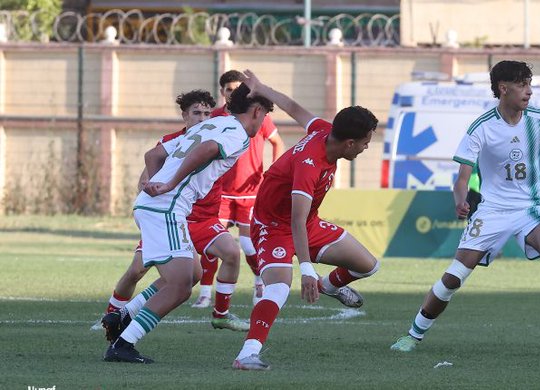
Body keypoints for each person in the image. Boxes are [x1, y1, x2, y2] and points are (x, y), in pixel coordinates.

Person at [390, 60, 540, 353]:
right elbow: (462, 178)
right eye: (522, 85)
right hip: (493, 209)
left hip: (534, 203)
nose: (529, 91)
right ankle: (413, 334)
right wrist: (460, 201)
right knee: (455, 276)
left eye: (530, 85)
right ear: (503, 89)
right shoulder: (481, 128)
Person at [103, 84, 273, 363]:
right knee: (180, 285)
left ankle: (121, 315)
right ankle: (122, 343)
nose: (263, 122)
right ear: (256, 111)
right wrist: (169, 185)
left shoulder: (213, 123)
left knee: (191, 273)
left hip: (162, 207)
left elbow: (153, 155)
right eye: (264, 115)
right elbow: (205, 150)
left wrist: (162, 184)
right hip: (167, 209)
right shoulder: (238, 134)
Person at [231, 70, 380, 371]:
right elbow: (294, 220)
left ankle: (330, 286)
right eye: (365, 143)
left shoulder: (325, 131)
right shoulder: (309, 165)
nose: (366, 148)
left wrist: (263, 87)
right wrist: (307, 270)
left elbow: (294, 108)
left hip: (306, 223)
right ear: (350, 143)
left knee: (368, 265)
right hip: (274, 226)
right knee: (278, 288)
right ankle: (247, 354)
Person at [191, 70, 286, 310]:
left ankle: (259, 283)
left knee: (249, 245)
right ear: (222, 92)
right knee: (212, 243)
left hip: (250, 192)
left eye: (237, 89)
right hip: (221, 193)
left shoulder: (257, 116)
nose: (233, 93)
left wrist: (270, 173)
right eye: (229, 90)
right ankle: (204, 293)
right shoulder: (216, 117)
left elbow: (277, 142)